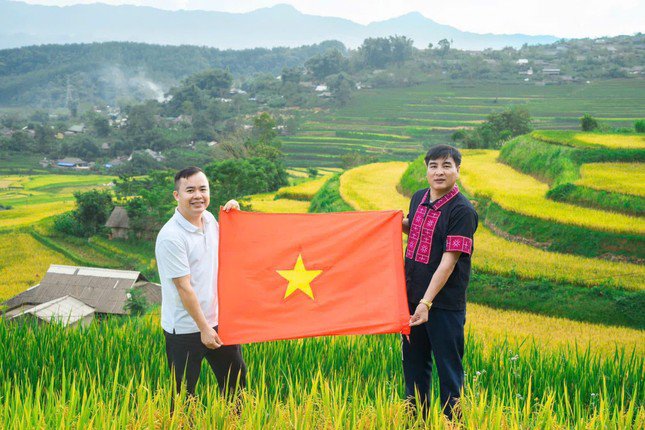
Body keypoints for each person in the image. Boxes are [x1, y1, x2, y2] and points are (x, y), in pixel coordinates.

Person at [155, 166, 246, 409]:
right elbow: (184, 288)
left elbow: (232, 244)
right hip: (185, 329)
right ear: (177, 195)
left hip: (219, 321)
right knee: (184, 395)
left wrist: (233, 215)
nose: (198, 195)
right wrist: (204, 328)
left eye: (203, 189)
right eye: (190, 190)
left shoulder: (210, 219)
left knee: (236, 384)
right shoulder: (171, 236)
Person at [401, 145, 478, 420]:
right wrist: (392, 223)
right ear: (426, 170)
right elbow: (416, 226)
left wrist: (426, 303)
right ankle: (414, 422)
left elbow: (449, 261)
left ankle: (452, 424)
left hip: (442, 305)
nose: (439, 172)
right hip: (411, 299)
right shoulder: (419, 198)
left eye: (447, 165)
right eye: (433, 166)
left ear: (458, 170)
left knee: (448, 371)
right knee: (414, 366)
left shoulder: (462, 211)